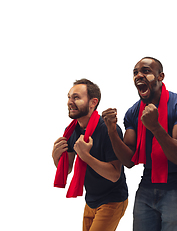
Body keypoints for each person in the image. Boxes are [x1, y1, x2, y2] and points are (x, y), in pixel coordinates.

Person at [102, 57, 177, 231]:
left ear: (160, 76)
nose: (139, 75)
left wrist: (155, 127)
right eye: (135, 72)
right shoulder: (133, 112)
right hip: (146, 186)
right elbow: (128, 161)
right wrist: (112, 131)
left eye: (145, 71)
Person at [52, 79, 128, 231]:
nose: (70, 102)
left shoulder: (109, 130)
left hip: (112, 200)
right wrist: (55, 157)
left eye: (76, 97)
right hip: (91, 201)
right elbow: (67, 169)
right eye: (69, 97)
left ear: (93, 102)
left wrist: (86, 156)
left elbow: (114, 174)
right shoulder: (72, 130)